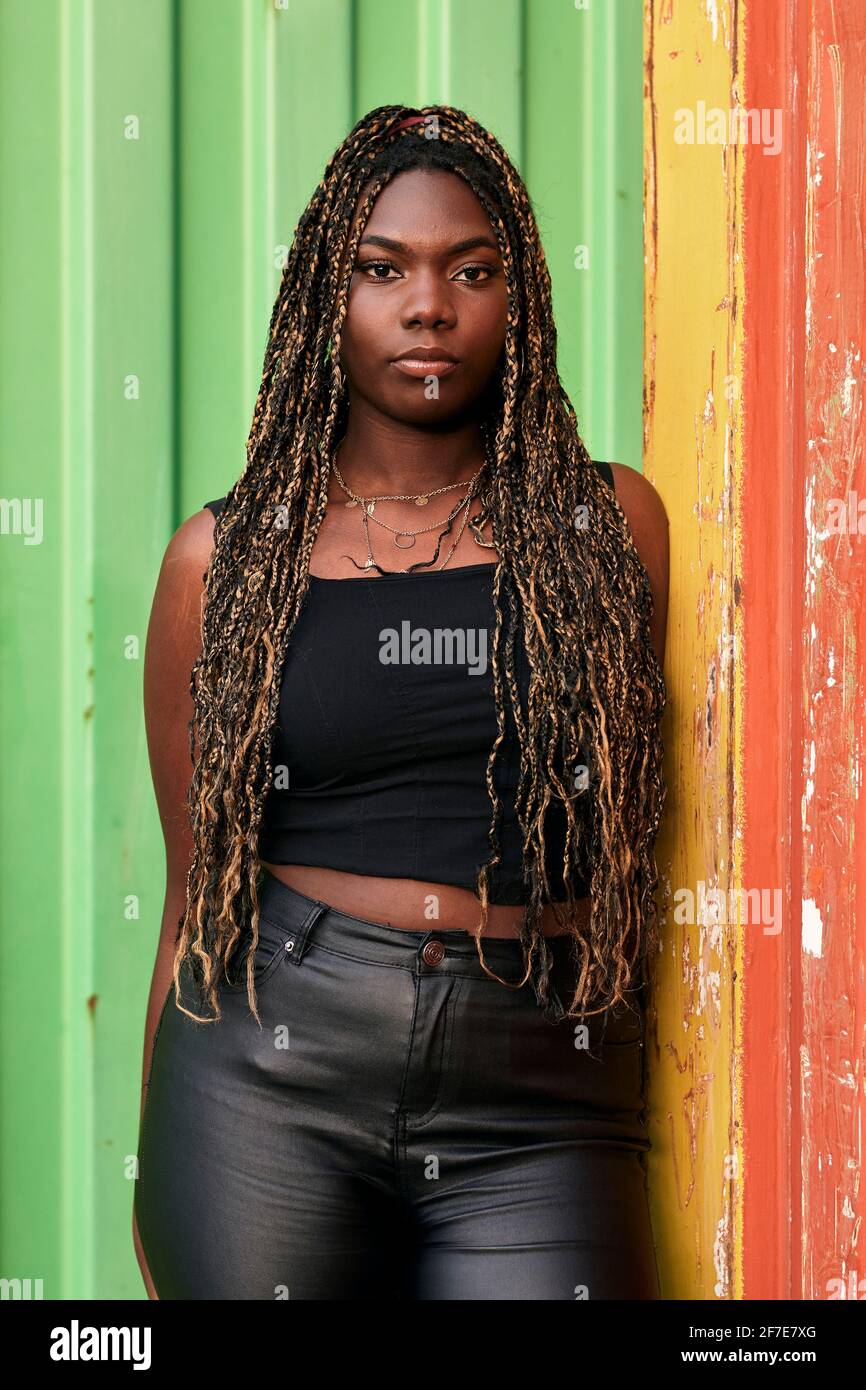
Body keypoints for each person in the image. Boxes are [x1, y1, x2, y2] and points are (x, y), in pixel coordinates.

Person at [133, 104, 669, 1301]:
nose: (427, 305)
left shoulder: (608, 526)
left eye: (469, 270)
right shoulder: (226, 560)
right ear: (327, 298)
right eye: (382, 270)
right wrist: (160, 1157)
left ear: (517, 295)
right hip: (269, 1074)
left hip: (537, 1089)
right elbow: (192, 891)